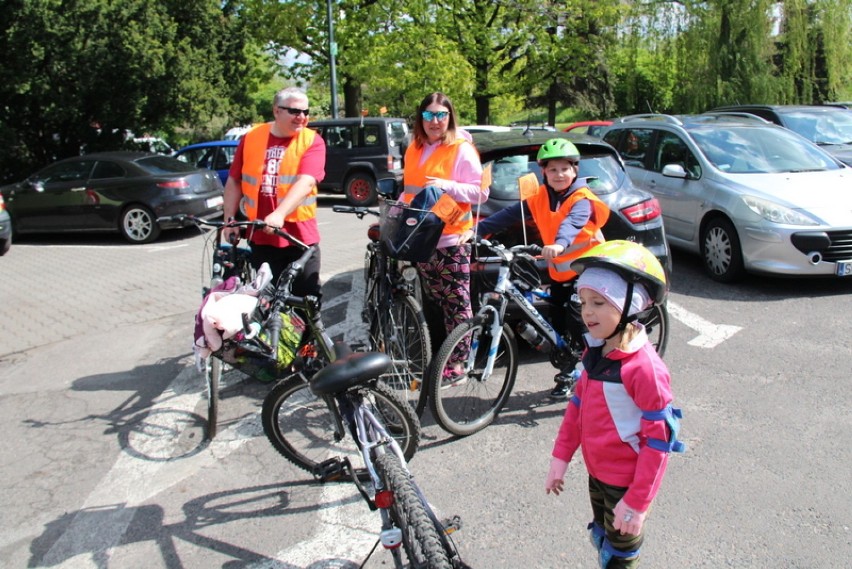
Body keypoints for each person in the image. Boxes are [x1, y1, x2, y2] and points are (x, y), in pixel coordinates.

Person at [544, 240, 685, 569]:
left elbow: (659, 443)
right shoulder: (595, 351)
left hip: (626, 483)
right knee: (604, 539)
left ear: (630, 306)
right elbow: (577, 408)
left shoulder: (644, 369)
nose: (587, 311)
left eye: (598, 302)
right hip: (598, 476)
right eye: (583, 301)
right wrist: (560, 458)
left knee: (619, 557)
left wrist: (637, 502)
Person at [461, 138, 610, 400]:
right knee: (559, 325)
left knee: (579, 320)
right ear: (544, 172)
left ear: (575, 170)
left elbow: (572, 224)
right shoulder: (540, 196)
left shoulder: (582, 198)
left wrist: (559, 244)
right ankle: (568, 373)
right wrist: (477, 230)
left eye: (565, 168)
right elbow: (509, 213)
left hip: (588, 269)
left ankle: (601, 368)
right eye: (553, 170)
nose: (559, 174)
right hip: (561, 271)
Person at [402, 92, 485, 377]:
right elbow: (412, 190)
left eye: (441, 115)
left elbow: (480, 192)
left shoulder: (461, 149)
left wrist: (447, 185)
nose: (435, 121)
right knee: (437, 302)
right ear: (420, 119)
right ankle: (444, 358)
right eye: (428, 115)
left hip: (453, 237)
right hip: (423, 238)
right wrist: (399, 206)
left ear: (450, 117)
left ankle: (459, 363)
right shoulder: (413, 148)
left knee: (457, 302)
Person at [221, 87, 326, 298]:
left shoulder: (312, 141)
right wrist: (229, 220)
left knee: (306, 301)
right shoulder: (251, 138)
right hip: (261, 239)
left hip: (299, 239)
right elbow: (234, 181)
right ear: (276, 111)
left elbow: (306, 182)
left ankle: (307, 333)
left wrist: (279, 214)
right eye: (295, 112)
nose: (302, 118)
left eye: (306, 112)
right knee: (266, 302)